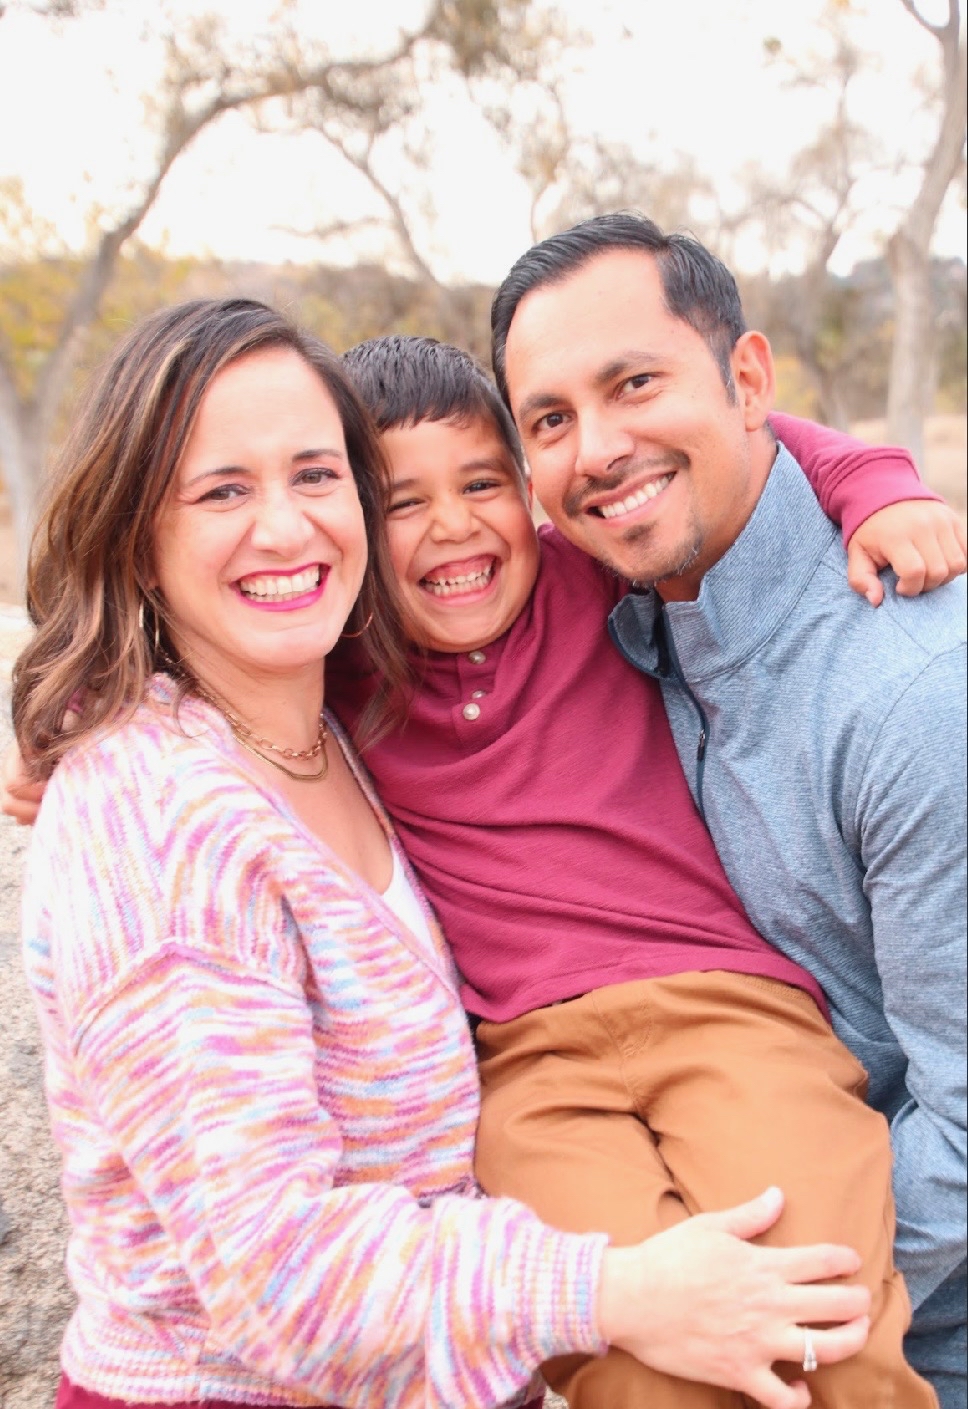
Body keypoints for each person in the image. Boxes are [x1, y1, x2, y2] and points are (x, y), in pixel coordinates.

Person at [10, 296, 880, 1409]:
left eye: (316, 476)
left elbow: (728, 452)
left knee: (815, 1334)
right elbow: (281, 1277)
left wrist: (875, 484)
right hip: (237, 1389)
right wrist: (612, 1291)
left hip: (471, 1337)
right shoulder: (155, 817)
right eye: (223, 488)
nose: (285, 527)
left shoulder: (328, 713)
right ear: (137, 526)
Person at [488, 212, 968, 1409]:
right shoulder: (607, 599)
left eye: (633, 382)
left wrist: (730, 1292)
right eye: (549, 419)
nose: (596, 448)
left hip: (913, 1320)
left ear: (746, 377)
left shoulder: (911, 690)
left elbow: (965, 1130)